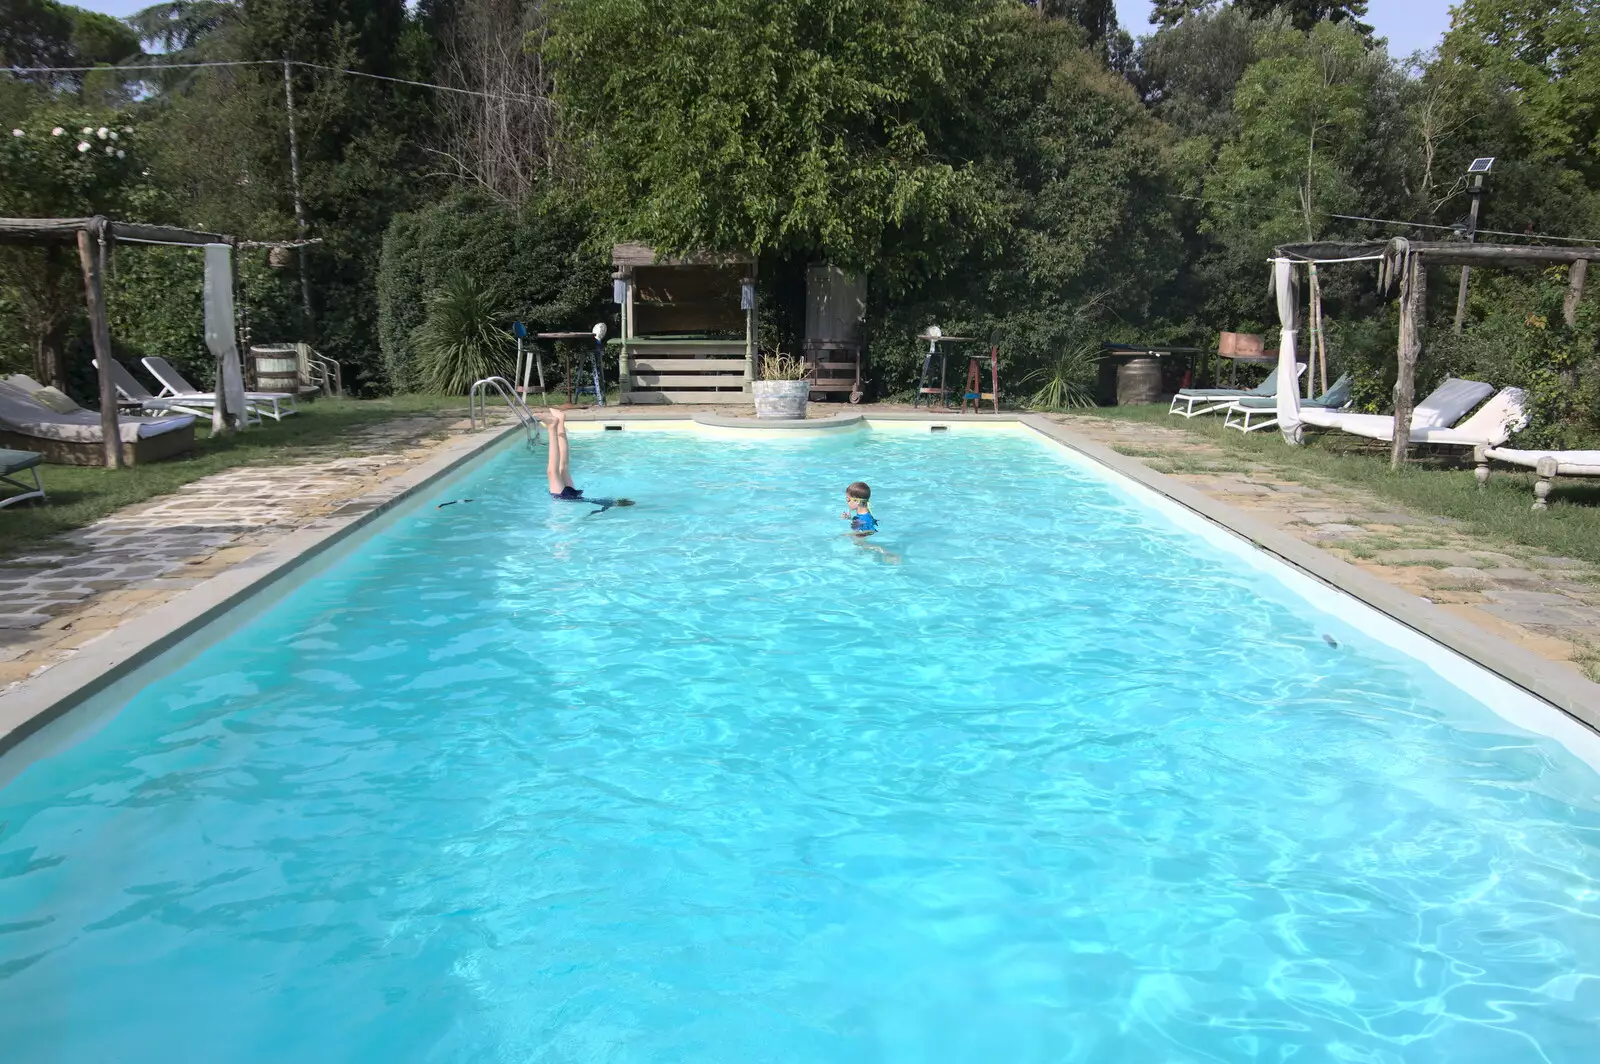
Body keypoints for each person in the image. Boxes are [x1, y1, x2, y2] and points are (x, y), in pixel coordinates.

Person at [539, 406, 633, 515]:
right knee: (553, 471)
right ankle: (552, 427)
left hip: (574, 495)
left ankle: (560, 420)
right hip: (564, 498)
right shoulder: (602, 506)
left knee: (563, 466)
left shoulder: (605, 503)